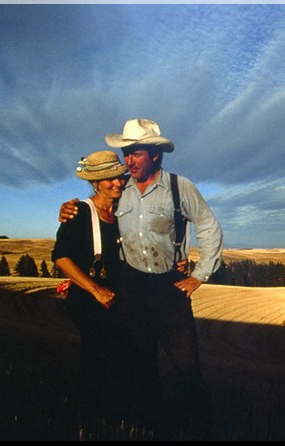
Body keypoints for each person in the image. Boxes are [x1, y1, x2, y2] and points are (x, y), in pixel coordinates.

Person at [59, 118, 224, 430]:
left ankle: (199, 428)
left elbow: (208, 226)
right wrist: (68, 208)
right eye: (127, 153)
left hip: (170, 288)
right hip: (131, 287)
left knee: (187, 366)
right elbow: (94, 206)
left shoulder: (180, 187)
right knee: (139, 364)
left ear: (155, 156)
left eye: (136, 153)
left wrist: (199, 274)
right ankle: (150, 426)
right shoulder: (121, 190)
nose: (129, 161)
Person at [51, 150, 129, 434]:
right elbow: (60, 256)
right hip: (89, 298)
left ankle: (110, 417)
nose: (116, 183)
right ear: (95, 183)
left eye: (119, 177)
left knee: (118, 356)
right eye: (108, 179)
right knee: (97, 354)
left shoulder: (124, 211)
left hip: (118, 299)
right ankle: (89, 419)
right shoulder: (80, 211)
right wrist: (95, 289)